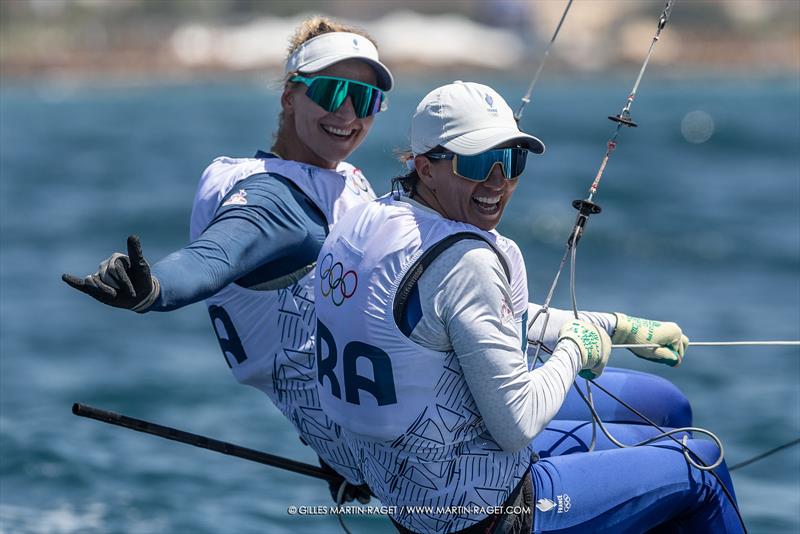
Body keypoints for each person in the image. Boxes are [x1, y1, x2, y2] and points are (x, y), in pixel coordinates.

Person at [314, 81, 742, 533]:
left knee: (665, 408)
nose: (498, 181)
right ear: (426, 167)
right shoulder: (467, 261)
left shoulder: (363, 220)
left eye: (512, 161)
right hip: (480, 510)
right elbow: (517, 424)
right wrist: (575, 348)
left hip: (408, 488)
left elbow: (473, 321)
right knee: (701, 463)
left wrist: (618, 327)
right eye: (478, 162)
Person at [61, 16, 393, 501]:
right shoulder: (274, 199)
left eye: (364, 99)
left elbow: (306, 342)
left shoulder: (336, 181)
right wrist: (152, 290)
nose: (347, 112)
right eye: (329, 92)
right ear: (289, 96)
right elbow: (212, 257)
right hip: (400, 448)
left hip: (364, 440)